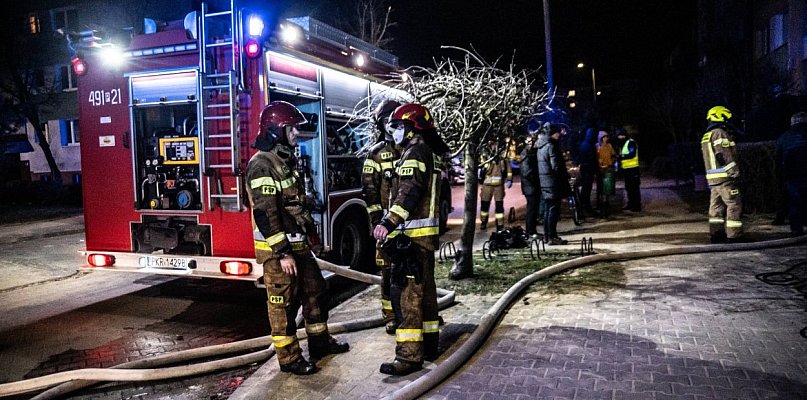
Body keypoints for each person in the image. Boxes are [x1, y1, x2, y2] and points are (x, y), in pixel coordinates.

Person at [246, 101, 349, 376]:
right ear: (275, 131)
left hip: (298, 247)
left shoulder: (282, 161)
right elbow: (265, 213)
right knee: (283, 305)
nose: (296, 134)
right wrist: (282, 252)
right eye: (291, 129)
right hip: (279, 253)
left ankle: (319, 343)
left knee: (316, 291)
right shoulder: (261, 165)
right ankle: (289, 357)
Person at [372, 103, 449, 376]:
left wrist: (387, 222)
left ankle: (408, 356)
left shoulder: (415, 153)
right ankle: (429, 344)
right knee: (426, 295)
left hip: (411, 240)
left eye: (399, 126)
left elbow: (409, 192)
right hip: (425, 239)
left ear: (412, 129)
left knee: (407, 299)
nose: (394, 131)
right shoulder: (430, 153)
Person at [361, 99, 401, 335]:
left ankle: (411, 312)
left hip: (408, 226)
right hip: (386, 228)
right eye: (387, 121)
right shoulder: (376, 155)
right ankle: (391, 315)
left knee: (410, 272)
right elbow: (370, 192)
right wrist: (378, 223)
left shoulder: (409, 149)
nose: (391, 125)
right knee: (387, 273)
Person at [701, 105, 744, 243]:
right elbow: (723, 155)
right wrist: (734, 172)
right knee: (734, 204)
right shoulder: (719, 133)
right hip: (725, 178)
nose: (728, 121)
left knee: (716, 209)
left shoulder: (707, 135)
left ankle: (716, 235)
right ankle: (734, 236)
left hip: (713, 180)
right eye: (726, 118)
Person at [774, 111, 807, 237]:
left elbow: (777, 157)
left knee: (794, 202)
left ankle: (796, 230)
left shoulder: (784, 137)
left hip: (791, 174)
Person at [537, 124, 571, 245]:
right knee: (553, 210)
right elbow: (556, 166)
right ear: (552, 133)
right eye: (557, 133)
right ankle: (552, 237)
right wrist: (564, 176)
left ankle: (547, 236)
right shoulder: (551, 146)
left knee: (548, 209)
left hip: (545, 182)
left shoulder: (541, 146)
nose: (558, 135)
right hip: (553, 182)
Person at [478, 149, 513, 231]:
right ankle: (483, 222)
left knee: (499, 206)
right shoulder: (485, 154)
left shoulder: (503, 155)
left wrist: (509, 179)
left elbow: (508, 168)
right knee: (484, 205)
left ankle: (500, 224)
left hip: (498, 186)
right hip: (487, 185)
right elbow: (480, 168)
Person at [519, 125, 541, 237]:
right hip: (530, 187)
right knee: (532, 209)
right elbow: (526, 172)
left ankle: (532, 230)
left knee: (533, 208)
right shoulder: (526, 154)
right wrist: (536, 177)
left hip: (531, 186)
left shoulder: (530, 153)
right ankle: (530, 231)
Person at [617, 128, 641, 212]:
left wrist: (621, 157)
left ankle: (637, 205)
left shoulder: (630, 142)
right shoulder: (623, 144)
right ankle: (631, 203)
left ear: (623, 135)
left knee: (634, 188)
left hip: (633, 169)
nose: (618, 137)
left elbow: (632, 154)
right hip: (626, 169)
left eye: (619, 136)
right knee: (629, 187)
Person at [576, 127, 599, 217]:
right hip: (589, 168)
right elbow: (592, 158)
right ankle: (586, 206)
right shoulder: (590, 145)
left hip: (584, 167)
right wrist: (596, 169)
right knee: (587, 188)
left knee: (585, 188)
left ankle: (583, 206)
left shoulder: (583, 144)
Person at [596, 131, 617, 212]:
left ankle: (606, 202)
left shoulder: (609, 146)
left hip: (608, 168)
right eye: (604, 137)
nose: (606, 139)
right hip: (600, 169)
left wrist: (612, 161)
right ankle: (600, 202)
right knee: (601, 186)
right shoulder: (597, 146)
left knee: (607, 186)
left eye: (606, 137)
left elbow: (613, 155)